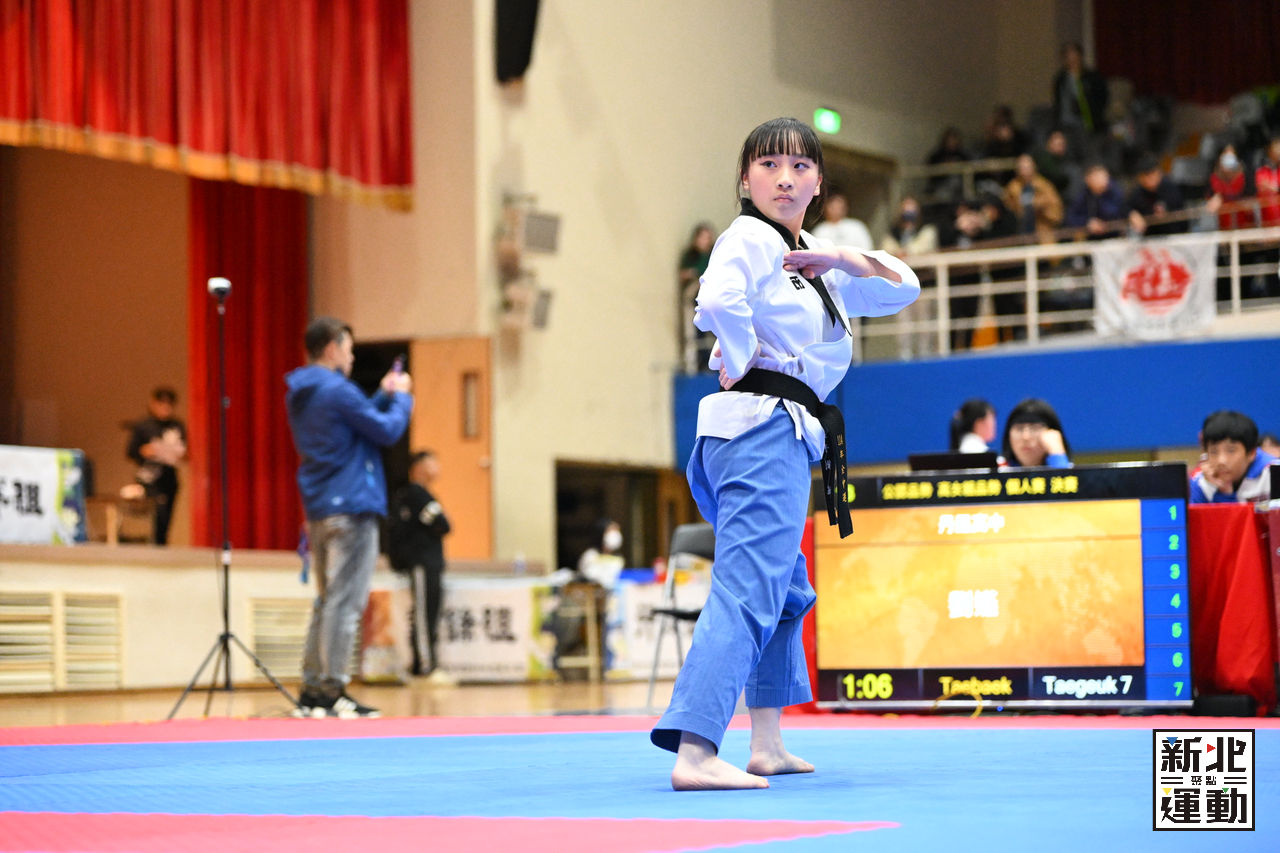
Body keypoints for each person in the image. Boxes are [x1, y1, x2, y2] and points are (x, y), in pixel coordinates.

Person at [650, 117, 919, 790]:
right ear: (745, 180)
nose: (785, 178)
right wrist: (742, 354)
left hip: (780, 432)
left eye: (801, 167)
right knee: (749, 585)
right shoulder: (747, 237)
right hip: (759, 427)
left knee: (786, 589)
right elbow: (716, 299)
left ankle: (766, 743)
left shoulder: (815, 258)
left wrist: (845, 260)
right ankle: (696, 749)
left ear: (819, 182)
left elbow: (904, 287)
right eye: (769, 165)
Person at [285, 316, 413, 718]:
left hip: (320, 508)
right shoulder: (338, 390)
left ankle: (313, 691)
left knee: (328, 601)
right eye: (349, 348)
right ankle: (333, 690)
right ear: (332, 348)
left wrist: (381, 394)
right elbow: (386, 430)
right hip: (353, 506)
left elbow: (356, 422)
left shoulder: (303, 391)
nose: (352, 356)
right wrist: (402, 398)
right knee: (345, 603)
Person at [388, 449, 454, 684]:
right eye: (432, 463)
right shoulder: (416, 495)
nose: (437, 468)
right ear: (418, 468)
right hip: (421, 563)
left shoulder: (423, 495)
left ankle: (422, 665)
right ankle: (425, 667)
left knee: (430, 613)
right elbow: (443, 524)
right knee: (424, 614)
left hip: (430, 563)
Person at [125, 386, 187, 545]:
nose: (165, 408)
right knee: (156, 512)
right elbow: (131, 452)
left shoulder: (176, 426)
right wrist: (145, 451)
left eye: (169, 404)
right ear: (153, 403)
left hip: (169, 476)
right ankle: (152, 544)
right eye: (161, 403)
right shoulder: (144, 426)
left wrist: (177, 453)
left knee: (166, 516)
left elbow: (186, 453)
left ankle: (161, 544)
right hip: (149, 477)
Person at [881, 195, 938, 359]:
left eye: (912, 210)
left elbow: (923, 246)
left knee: (924, 321)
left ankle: (925, 353)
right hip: (901, 285)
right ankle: (904, 354)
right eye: (905, 210)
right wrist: (898, 252)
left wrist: (906, 252)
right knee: (904, 323)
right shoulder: (894, 232)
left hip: (923, 282)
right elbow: (886, 248)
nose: (909, 213)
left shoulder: (926, 229)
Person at [1190, 410, 1275, 504]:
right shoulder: (1200, 482)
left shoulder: (1273, 474)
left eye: (1231, 450)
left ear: (1251, 453)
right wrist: (1224, 494)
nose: (1221, 461)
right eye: (1214, 452)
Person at [1051, 42, 1108, 144]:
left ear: (1080, 57)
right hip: (1065, 123)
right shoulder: (1061, 79)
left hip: (1086, 122)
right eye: (1068, 57)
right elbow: (1058, 102)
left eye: (1074, 57)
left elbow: (1102, 98)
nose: (1072, 61)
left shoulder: (1092, 77)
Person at [678, 223, 717, 372]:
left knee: (713, 332)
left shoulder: (714, 256)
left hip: (712, 298)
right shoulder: (690, 256)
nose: (705, 241)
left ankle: (713, 363)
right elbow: (683, 274)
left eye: (708, 238)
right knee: (696, 333)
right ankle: (698, 364)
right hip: (694, 298)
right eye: (702, 237)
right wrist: (693, 274)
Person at [1001, 398, 1071, 469]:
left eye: (1034, 428)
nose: (1026, 437)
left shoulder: (1068, 467)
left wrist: (1056, 453)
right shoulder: (998, 468)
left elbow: (1065, 475)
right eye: (1019, 428)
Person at [1127, 153, 1187, 237]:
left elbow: (1180, 211)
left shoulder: (1170, 188)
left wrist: (1166, 211)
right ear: (1140, 178)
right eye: (1146, 176)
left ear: (1159, 173)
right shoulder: (1137, 193)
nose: (1149, 180)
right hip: (1148, 237)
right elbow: (1126, 207)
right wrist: (1131, 214)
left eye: (1152, 175)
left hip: (1175, 235)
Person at [577, 517, 625, 588]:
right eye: (611, 530)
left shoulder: (619, 558)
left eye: (617, 530)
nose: (615, 534)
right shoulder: (590, 555)